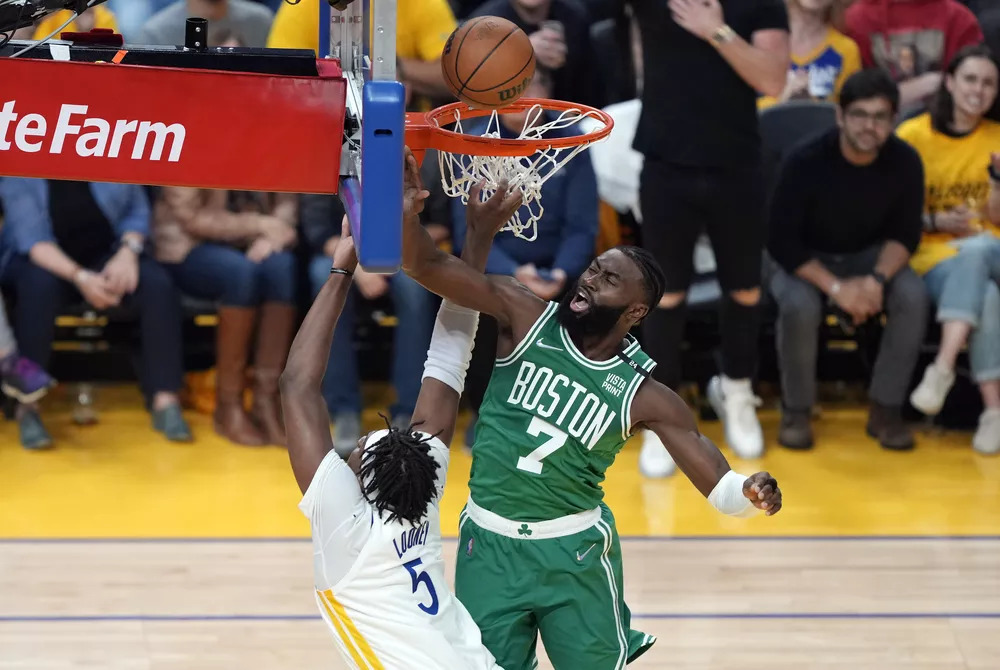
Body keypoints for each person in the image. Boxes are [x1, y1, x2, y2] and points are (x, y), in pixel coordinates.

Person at [400, 148, 783, 670]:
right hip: (487, 544)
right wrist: (404, 211)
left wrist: (749, 490)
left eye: (608, 280)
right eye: (594, 270)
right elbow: (425, 264)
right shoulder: (522, 311)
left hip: (574, 556)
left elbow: (717, 485)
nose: (589, 281)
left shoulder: (644, 394)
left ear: (637, 310)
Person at [278, 192, 519, 669]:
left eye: (357, 449)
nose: (353, 446)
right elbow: (449, 357)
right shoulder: (415, 496)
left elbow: (297, 387)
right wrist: (477, 240)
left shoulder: (356, 530)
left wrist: (340, 270)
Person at [631, 0, 790, 478]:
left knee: (744, 289)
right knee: (665, 295)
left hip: (737, 166)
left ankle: (737, 390)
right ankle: (665, 417)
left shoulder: (761, 5)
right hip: (666, 165)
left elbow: (774, 81)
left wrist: (716, 30)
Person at [767, 68, 928, 450]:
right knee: (799, 306)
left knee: (913, 295)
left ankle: (886, 408)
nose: (869, 126)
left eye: (880, 117)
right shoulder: (803, 161)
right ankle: (797, 410)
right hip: (803, 259)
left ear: (893, 121)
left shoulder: (906, 161)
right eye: (859, 115)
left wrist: (875, 281)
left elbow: (905, 235)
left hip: (869, 257)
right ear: (840, 116)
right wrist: (837, 289)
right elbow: (782, 242)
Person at [0, 178, 191, 449]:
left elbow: (136, 212)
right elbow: (33, 240)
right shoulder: (23, 169)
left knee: (156, 285)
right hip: (41, 259)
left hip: (105, 253)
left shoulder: (108, 151)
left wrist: (128, 252)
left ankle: (165, 398)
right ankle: (27, 406)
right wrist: (81, 278)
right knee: (38, 289)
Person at [896, 45, 1000, 454]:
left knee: (977, 249)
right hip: (933, 257)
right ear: (950, 82)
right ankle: (994, 412)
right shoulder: (912, 136)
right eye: (971, 79)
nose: (979, 89)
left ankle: (942, 368)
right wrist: (937, 222)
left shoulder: (997, 137)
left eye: (989, 82)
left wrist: (996, 186)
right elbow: (890, 214)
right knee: (987, 296)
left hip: (990, 250)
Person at [152, 186, 298, 447]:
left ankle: (266, 402)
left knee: (283, 268)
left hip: (253, 241)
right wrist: (261, 224)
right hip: (189, 246)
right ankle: (228, 405)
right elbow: (191, 217)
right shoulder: (195, 146)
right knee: (240, 274)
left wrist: (275, 235)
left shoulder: (271, 145)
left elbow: (288, 196)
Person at [845, 0, 983, 114]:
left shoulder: (959, 18)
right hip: (875, 126)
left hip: (942, 125)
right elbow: (854, 94)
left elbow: (973, 85)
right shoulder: (857, 18)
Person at [758, 0, 861, 108]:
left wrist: (811, 104)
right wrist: (781, 100)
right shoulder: (758, 39)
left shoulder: (846, 50)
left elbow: (849, 114)